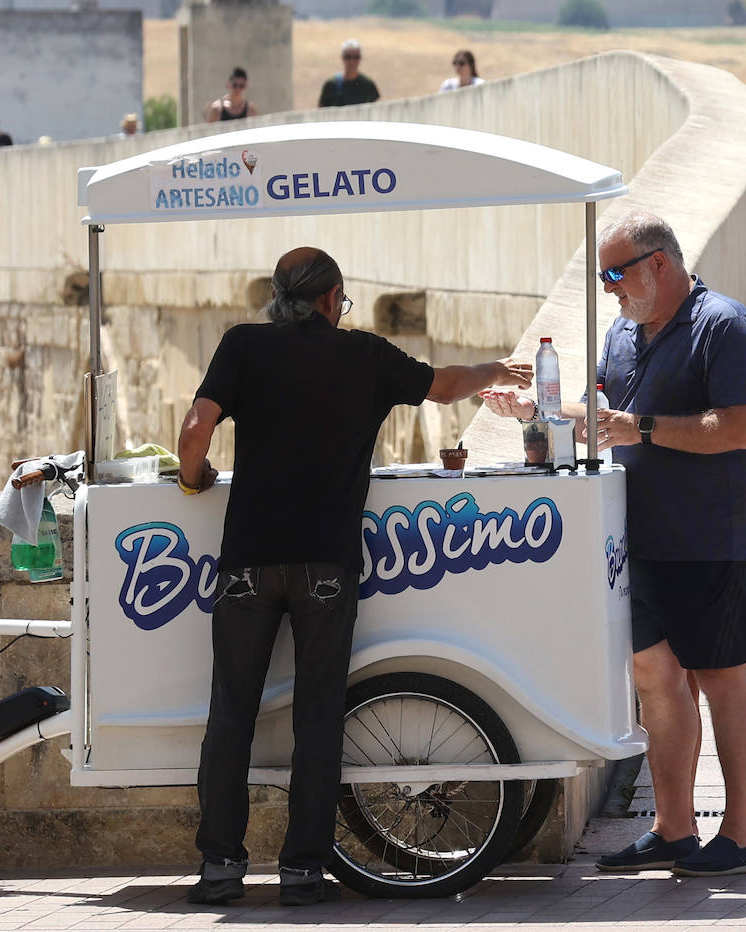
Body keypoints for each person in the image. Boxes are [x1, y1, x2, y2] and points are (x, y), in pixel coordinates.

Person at [177, 246, 532, 907]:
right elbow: (446, 385)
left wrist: (192, 479)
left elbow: (196, 427)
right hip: (326, 567)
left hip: (249, 563)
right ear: (330, 296)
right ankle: (304, 874)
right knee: (318, 722)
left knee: (230, 717)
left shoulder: (244, 345)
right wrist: (493, 368)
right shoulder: (365, 357)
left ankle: (221, 868)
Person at [483, 211, 746, 877]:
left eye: (616, 273)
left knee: (722, 676)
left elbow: (735, 429)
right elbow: (605, 419)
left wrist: (638, 429)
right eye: (602, 275)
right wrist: (536, 411)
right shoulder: (621, 331)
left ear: (659, 264)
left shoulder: (723, 326)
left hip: (711, 535)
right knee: (655, 678)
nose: (609, 287)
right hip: (637, 535)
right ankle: (673, 828)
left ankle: (741, 836)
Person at [318, 39, 380, 107]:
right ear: (342, 58)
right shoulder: (331, 85)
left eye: (356, 57)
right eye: (348, 57)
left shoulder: (368, 85)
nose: (352, 61)